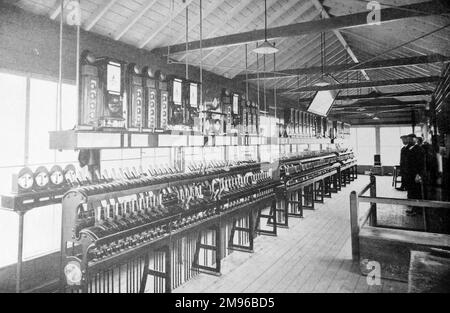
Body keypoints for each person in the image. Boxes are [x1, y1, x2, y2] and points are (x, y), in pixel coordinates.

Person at [403, 134, 425, 215]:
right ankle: (414, 209)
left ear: (414, 140)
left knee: (416, 193)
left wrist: (419, 174)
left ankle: (417, 210)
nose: (409, 141)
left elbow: (421, 163)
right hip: (410, 175)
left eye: (410, 139)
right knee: (412, 192)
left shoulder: (418, 149)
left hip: (415, 174)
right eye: (408, 139)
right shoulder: (410, 149)